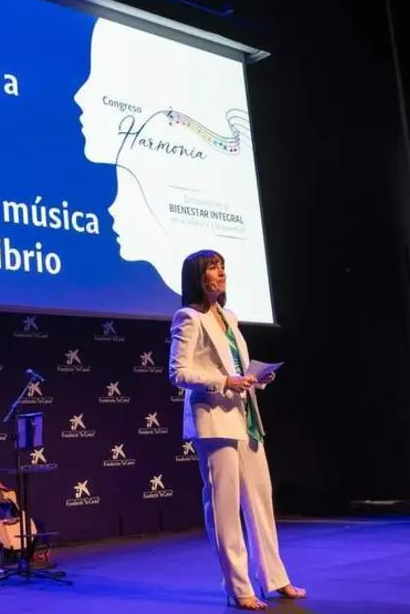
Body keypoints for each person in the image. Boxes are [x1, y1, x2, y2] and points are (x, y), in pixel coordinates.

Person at [168, 249, 306, 610]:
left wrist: (255, 379)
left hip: (245, 417)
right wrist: (225, 382)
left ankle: (275, 578)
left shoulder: (229, 317)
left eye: (223, 267)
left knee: (260, 501)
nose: (221, 273)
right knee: (224, 508)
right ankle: (238, 586)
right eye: (214, 268)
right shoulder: (188, 317)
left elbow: (236, 368)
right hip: (215, 421)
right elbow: (178, 372)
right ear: (198, 277)